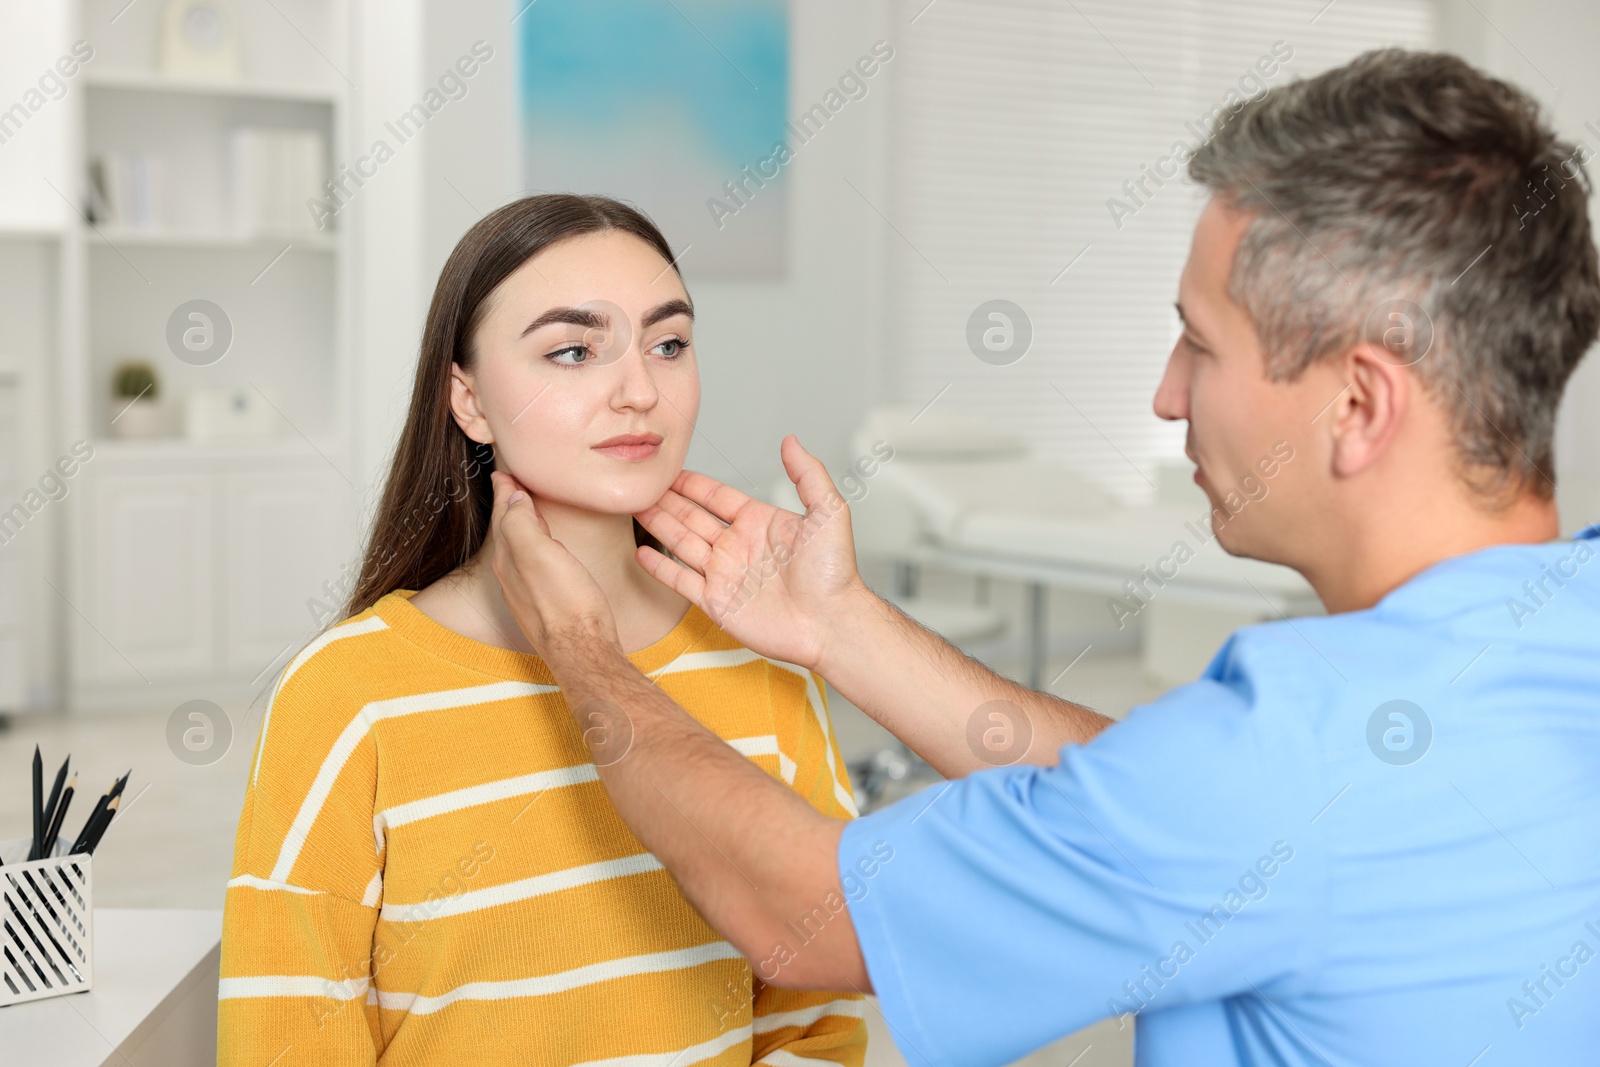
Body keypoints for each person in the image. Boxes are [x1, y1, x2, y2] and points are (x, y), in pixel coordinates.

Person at [482, 50, 1600, 1066]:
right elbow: (1161, 803)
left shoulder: (1288, 759)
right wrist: (841, 627)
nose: (1165, 394)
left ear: (1358, 403)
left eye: (1199, 345)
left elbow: (796, 910)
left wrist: (584, 652)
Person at [217, 195, 867, 1066]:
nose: (641, 391)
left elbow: (814, 1025)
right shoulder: (345, 696)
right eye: (572, 350)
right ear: (470, 401)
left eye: (668, 343)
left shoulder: (766, 666)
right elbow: (285, 1041)